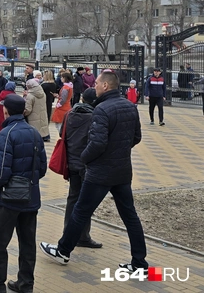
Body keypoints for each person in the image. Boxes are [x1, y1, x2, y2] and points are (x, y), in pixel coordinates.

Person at [40, 71, 148, 275]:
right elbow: (136, 137)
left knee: (81, 210)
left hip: (100, 171)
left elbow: (97, 143)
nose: (94, 86)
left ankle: (63, 251)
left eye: (97, 83)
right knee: (130, 215)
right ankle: (139, 262)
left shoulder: (102, 109)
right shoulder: (130, 107)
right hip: (122, 170)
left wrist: (84, 158)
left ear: (106, 86)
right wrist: (119, 152)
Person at [0, 95, 47, 293]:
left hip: (7, 199)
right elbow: (42, 168)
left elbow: (0, 171)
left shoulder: (6, 134)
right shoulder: (34, 133)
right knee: (27, 243)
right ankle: (26, 284)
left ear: (6, 111)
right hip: (31, 197)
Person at [60, 87, 101, 249]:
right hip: (87, 164)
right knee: (86, 201)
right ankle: (82, 236)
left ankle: (68, 232)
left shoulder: (69, 114)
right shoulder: (95, 117)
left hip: (71, 162)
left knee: (72, 198)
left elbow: (62, 135)